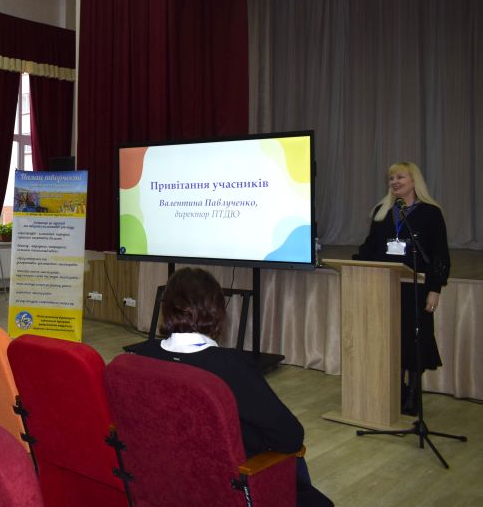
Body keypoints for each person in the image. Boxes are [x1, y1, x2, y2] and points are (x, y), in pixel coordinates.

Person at [136, 267, 333, 507]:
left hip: (162, 483)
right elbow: (289, 436)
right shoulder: (232, 367)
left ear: (166, 308)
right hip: (228, 487)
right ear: (217, 313)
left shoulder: (140, 357)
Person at [355, 161, 449, 416]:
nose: (394, 182)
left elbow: (439, 254)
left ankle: (413, 395)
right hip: (385, 287)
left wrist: (435, 288)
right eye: (391, 178)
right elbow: (371, 247)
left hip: (415, 288)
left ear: (414, 181)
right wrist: (355, 264)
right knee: (390, 341)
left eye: (400, 177)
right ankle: (395, 391)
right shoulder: (382, 211)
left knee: (414, 341)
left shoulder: (430, 213)